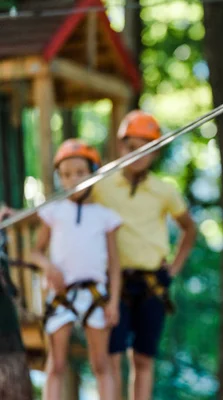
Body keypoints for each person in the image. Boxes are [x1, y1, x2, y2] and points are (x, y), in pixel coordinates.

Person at [92, 110, 197, 399]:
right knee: (112, 355)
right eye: (131, 146)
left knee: (143, 357)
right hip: (114, 282)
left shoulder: (163, 190)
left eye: (147, 148)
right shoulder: (101, 183)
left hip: (152, 282)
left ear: (155, 153)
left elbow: (189, 229)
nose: (138, 154)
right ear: (121, 146)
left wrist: (173, 269)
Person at [31, 139, 122, 400]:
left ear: (93, 173)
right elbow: (35, 251)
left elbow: (114, 265)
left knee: (100, 364)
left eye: (80, 173)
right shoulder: (54, 211)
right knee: (56, 364)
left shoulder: (105, 216)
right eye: (66, 174)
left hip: (95, 295)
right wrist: (48, 267)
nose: (73, 180)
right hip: (61, 294)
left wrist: (114, 301)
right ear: (59, 178)